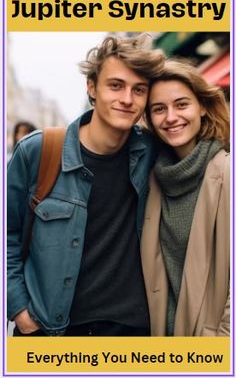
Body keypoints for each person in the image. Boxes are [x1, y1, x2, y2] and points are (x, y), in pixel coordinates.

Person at [7, 35, 164, 336]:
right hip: (50, 330)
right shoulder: (38, 151)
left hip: (129, 331)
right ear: (92, 87)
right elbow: (7, 235)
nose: (127, 99)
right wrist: (19, 310)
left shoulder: (154, 153)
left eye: (139, 90)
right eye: (115, 85)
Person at [141, 59, 230, 336]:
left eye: (181, 104)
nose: (170, 117)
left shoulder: (227, 173)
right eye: (159, 109)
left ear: (202, 106)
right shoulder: (151, 177)